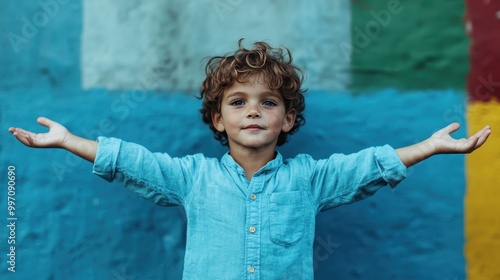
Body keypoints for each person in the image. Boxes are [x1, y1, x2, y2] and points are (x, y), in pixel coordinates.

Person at [9, 40, 491, 279]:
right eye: (237, 102)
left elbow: (368, 166)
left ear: (287, 120)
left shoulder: (311, 178)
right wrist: (70, 140)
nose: (253, 110)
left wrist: (428, 146)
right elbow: (133, 162)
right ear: (218, 120)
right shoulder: (192, 178)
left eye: (268, 102)